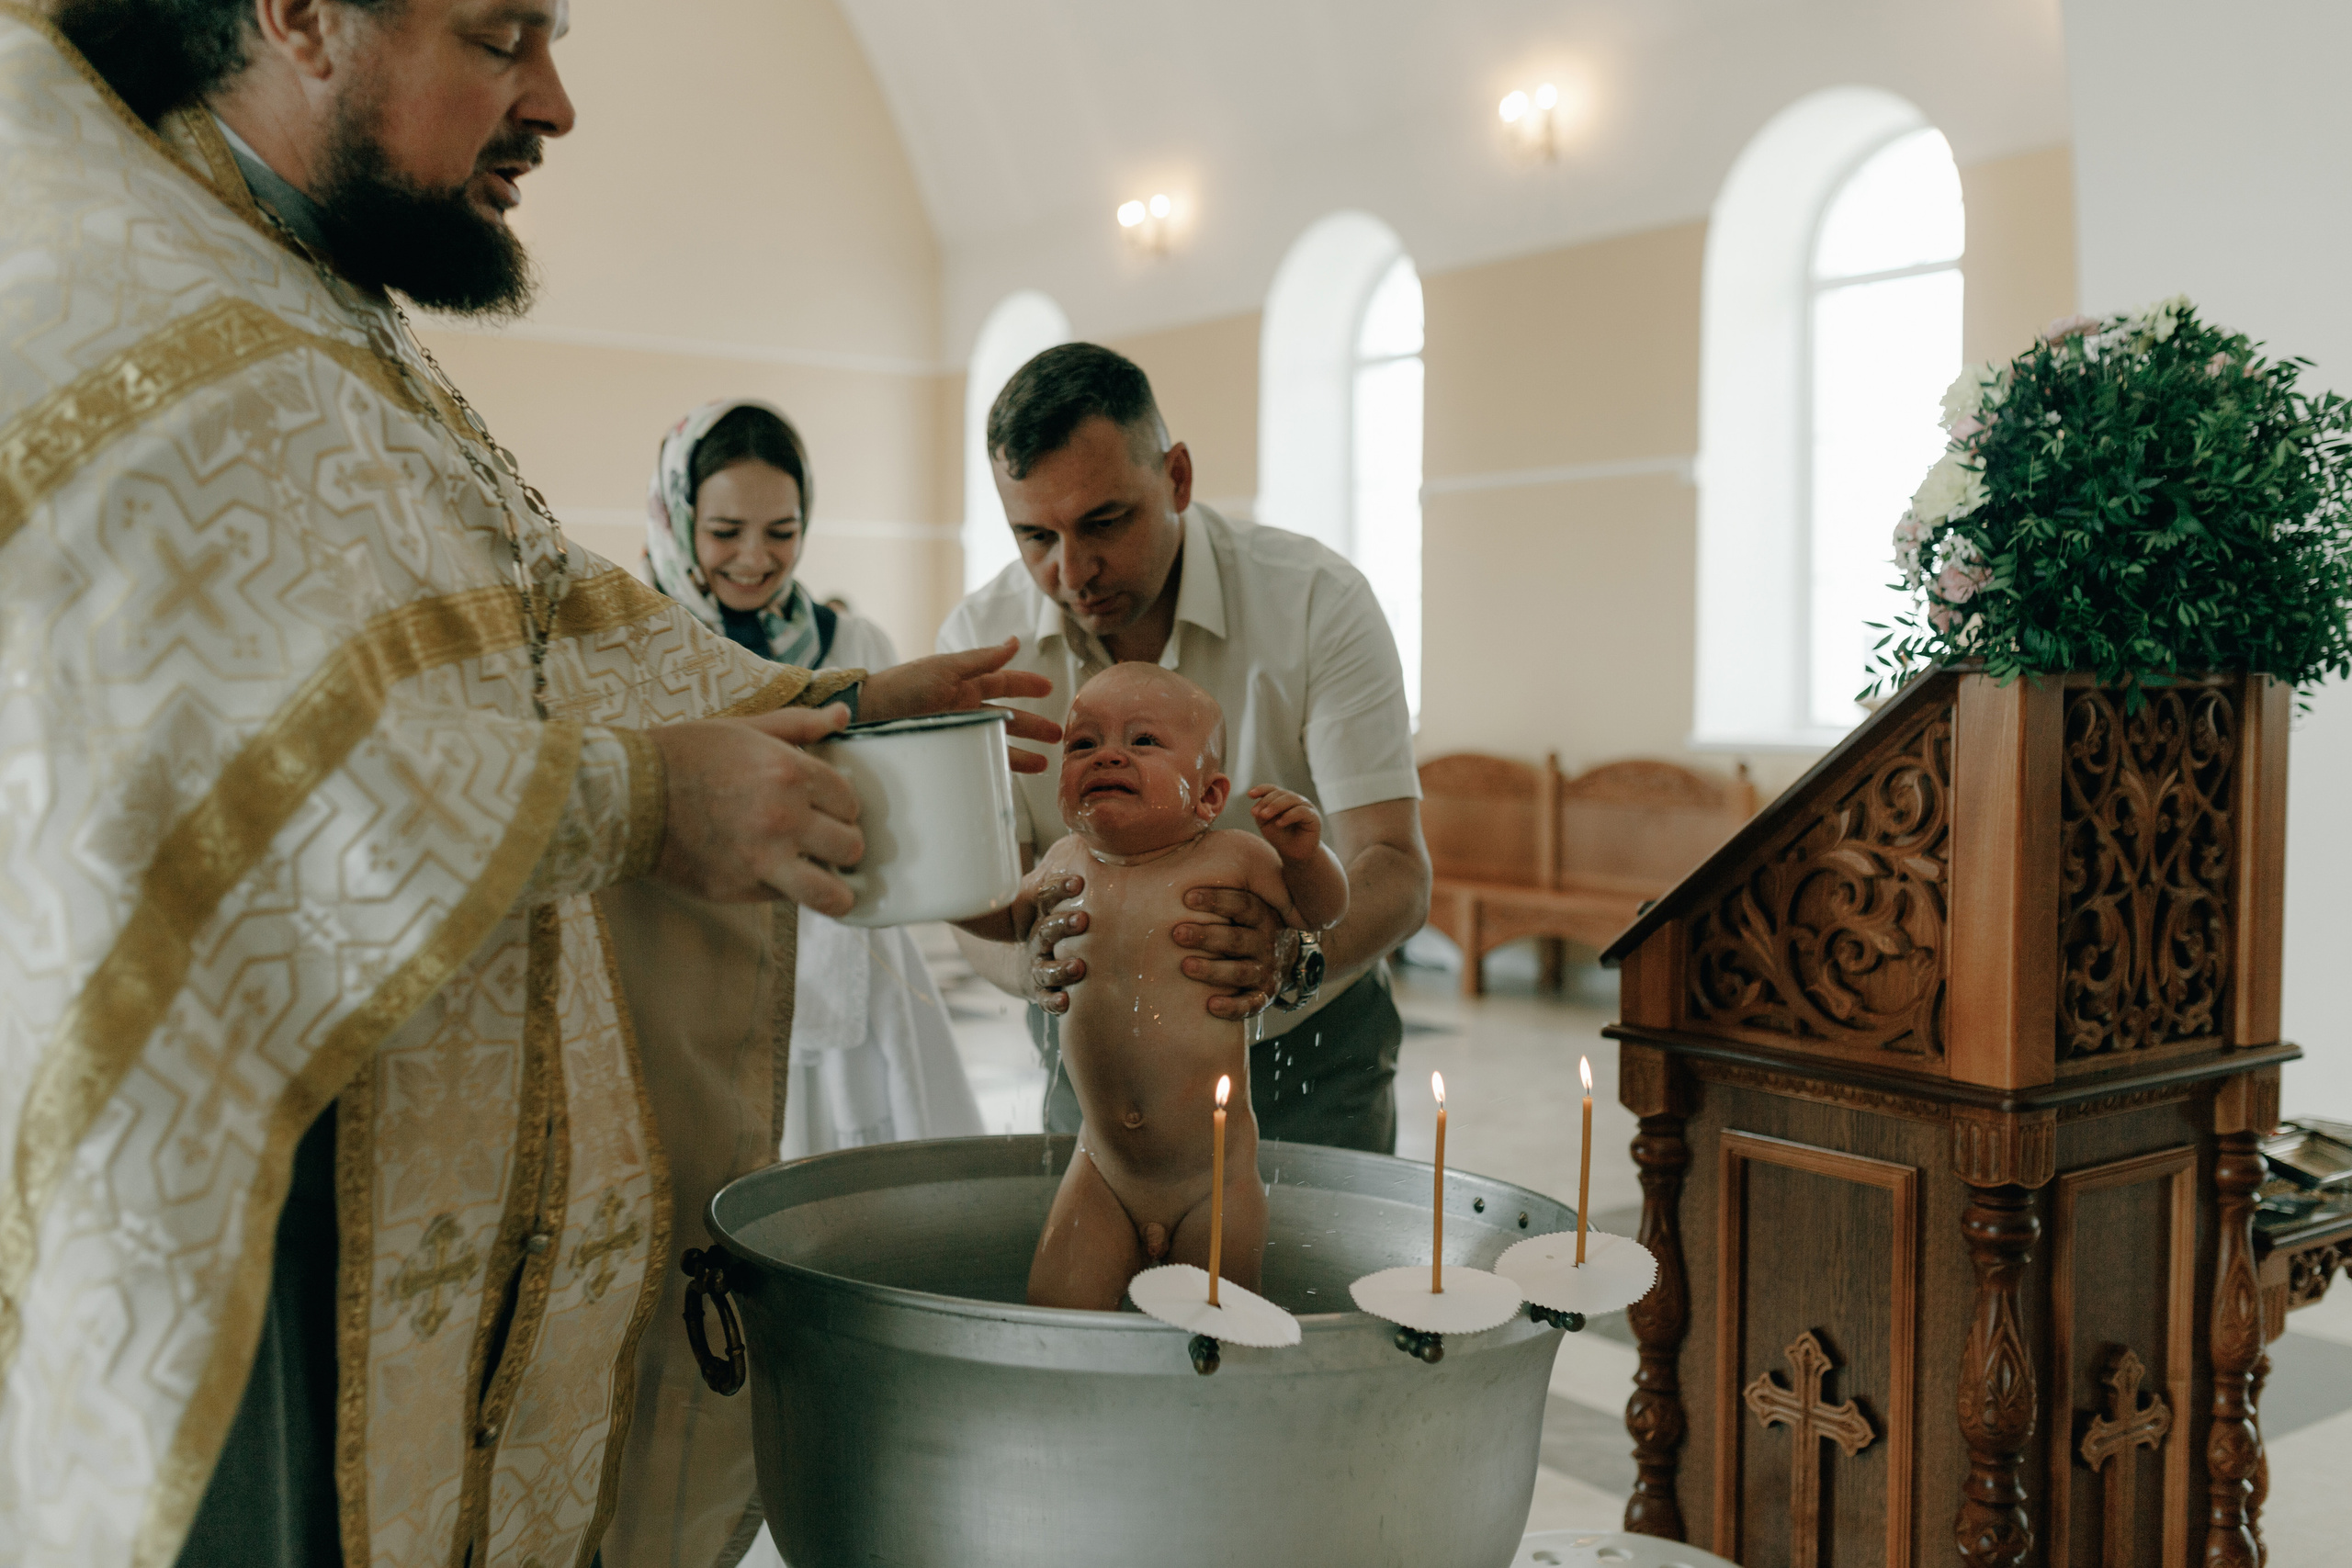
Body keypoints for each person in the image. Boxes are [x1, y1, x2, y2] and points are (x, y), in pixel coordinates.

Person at [0, 6, 1057, 1568]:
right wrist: (648, 803)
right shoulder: (111, 306)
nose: (553, 102)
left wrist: (820, 701)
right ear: (301, 16)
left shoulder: (311, 304)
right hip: (247, 1223)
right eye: (501, 36)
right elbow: (197, 776)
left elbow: (533, 620)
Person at [942, 344, 1432, 1154]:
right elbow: (982, 886)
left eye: (1104, 522)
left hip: (1304, 1056)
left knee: (1305, 1281)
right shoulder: (982, 646)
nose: (1073, 572)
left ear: (1176, 478)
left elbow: (1396, 868)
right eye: (1035, 536)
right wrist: (1030, 967)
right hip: (1096, 1067)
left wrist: (1290, 957)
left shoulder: (1315, 601)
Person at [639, 397, 984, 1159]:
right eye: (726, 532)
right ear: (678, 514)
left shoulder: (849, 641)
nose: (755, 558)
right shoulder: (641, 648)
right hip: (689, 953)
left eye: (782, 532)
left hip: (845, 947)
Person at [956, 666, 1345, 1309]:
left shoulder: (1236, 857)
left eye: (1142, 742)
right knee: (1056, 1317)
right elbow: (1001, 917)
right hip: (1103, 1170)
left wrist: (1306, 857)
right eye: (1082, 743)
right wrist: (946, 891)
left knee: (1212, 1341)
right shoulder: (1062, 863)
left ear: (1210, 796)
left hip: (1211, 1183)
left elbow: (1321, 911)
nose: (1107, 753)